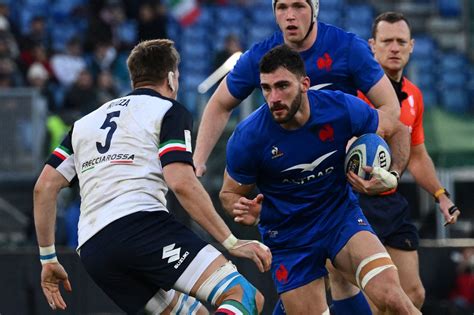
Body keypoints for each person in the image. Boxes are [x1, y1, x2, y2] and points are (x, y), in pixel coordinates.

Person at [33, 39, 272, 315]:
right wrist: (232, 241)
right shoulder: (168, 111)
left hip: (93, 249)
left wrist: (48, 258)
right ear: (171, 78)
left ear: (135, 77)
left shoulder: (85, 123)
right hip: (142, 228)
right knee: (245, 296)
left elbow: (44, 187)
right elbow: (181, 182)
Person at [220, 44, 420, 314]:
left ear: (305, 84)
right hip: (289, 238)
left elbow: (397, 131)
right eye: (266, 89)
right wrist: (243, 208)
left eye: (282, 86)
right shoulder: (248, 137)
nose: (273, 98)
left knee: (394, 299)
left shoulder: (339, 108)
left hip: (340, 218)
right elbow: (229, 193)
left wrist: (393, 176)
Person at [328, 12, 462, 313]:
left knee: (413, 293)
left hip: (391, 202)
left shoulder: (414, 95)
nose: (394, 48)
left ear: (412, 46)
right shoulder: (353, 93)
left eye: (401, 41)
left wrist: (441, 195)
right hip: (354, 203)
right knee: (377, 299)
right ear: (372, 46)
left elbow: (417, 155)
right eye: (387, 41)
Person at [194, 0, 401, 179]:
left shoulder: (348, 48)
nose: (290, 16)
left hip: (341, 170)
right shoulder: (260, 56)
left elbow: (390, 106)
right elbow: (220, 104)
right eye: (282, 7)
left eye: (299, 6)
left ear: (314, 9)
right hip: (286, 172)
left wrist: (361, 138)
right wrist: (199, 160)